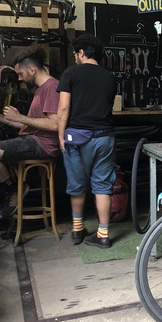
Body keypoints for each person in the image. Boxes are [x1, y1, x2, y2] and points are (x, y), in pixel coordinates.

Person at [0, 48, 60, 220]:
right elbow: (26, 123)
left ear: (32, 70)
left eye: (20, 74)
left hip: (43, 144)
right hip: (32, 139)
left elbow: (55, 124)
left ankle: (15, 189)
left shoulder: (51, 87)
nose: (19, 78)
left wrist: (21, 116)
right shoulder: (41, 89)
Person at [57, 34, 117, 249]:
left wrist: (60, 134)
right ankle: (103, 234)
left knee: (77, 185)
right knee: (102, 186)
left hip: (76, 138)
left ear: (81, 53)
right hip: (104, 137)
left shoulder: (70, 73)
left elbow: (63, 108)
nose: (75, 57)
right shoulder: (110, 77)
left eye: (76, 53)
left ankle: (77, 230)